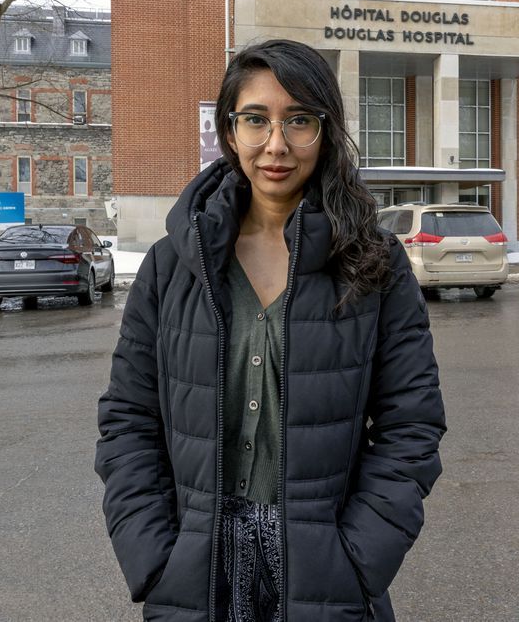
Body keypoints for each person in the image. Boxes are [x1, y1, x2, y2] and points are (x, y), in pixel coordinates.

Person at [95, 39, 446, 622]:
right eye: (256, 119)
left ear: (326, 131)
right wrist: (152, 555)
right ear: (230, 132)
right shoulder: (171, 265)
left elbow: (412, 424)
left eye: (299, 120)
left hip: (325, 570)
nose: (276, 144)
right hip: (194, 570)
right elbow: (128, 419)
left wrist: (358, 558)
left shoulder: (373, 264)